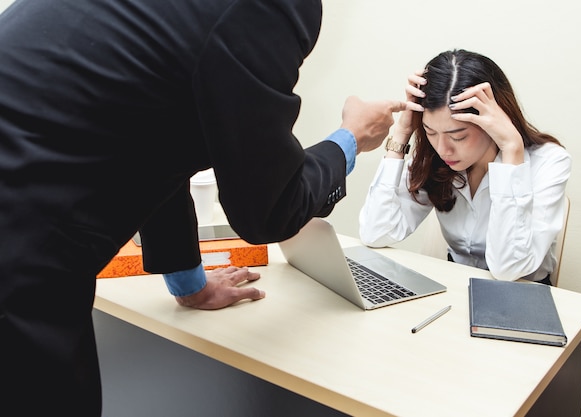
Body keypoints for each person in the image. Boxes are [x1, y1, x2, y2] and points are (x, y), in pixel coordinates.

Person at [0, 1, 407, 415]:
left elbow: (153, 140)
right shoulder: (268, 6)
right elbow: (269, 210)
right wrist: (350, 138)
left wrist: (189, 286)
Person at [359, 49, 571, 284]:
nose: (443, 149)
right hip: (457, 288)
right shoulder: (435, 159)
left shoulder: (549, 162)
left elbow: (508, 269)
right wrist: (401, 134)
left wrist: (511, 149)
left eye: (458, 136)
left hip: (524, 294)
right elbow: (375, 232)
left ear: (493, 118)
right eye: (430, 132)